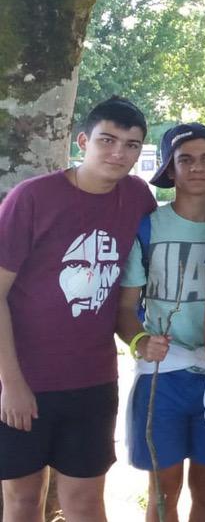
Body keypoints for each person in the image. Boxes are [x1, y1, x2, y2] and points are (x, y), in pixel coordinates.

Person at [0, 96, 156, 521]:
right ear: (83, 141)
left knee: (86, 502)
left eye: (131, 145)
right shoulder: (33, 197)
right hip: (25, 379)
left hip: (92, 379)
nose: (118, 153)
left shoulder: (137, 196)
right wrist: (11, 383)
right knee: (22, 499)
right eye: (107, 140)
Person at [117, 123, 205, 522]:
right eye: (185, 160)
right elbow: (125, 308)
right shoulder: (149, 227)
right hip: (162, 377)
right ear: (170, 169)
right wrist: (141, 341)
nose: (197, 168)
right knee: (163, 489)